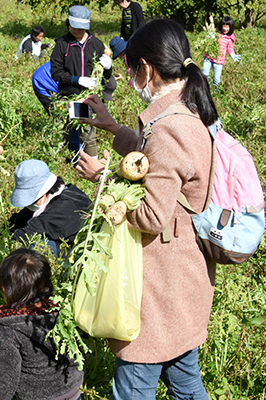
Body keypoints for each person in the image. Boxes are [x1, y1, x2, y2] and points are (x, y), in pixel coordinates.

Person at [75, 19, 217, 400]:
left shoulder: (170, 127)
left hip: (162, 289)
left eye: (130, 68)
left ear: (147, 69)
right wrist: (113, 128)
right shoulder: (186, 111)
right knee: (186, 384)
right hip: (184, 283)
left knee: (134, 387)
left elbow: (153, 215)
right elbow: (157, 164)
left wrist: (104, 180)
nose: (128, 75)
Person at [0, 248, 84, 400]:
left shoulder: (7, 331)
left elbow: (3, 383)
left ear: (6, 290)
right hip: (73, 390)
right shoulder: (60, 311)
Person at [50, 5, 113, 158]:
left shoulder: (96, 44)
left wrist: (108, 67)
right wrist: (77, 79)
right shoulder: (62, 44)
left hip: (86, 98)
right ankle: (54, 162)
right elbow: (56, 73)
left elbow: (104, 77)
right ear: (69, 23)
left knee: (88, 135)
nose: (77, 31)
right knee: (60, 133)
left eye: (81, 28)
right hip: (67, 96)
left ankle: (94, 169)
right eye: (74, 27)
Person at [8, 160, 89, 257]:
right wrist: (5, 229)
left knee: (35, 246)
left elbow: (27, 233)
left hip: (77, 250)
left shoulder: (64, 207)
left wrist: (5, 238)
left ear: (45, 191)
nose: (30, 204)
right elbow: (16, 222)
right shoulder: (48, 198)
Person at [202, 16, 241, 93]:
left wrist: (233, 55)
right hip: (209, 57)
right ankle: (204, 89)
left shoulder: (230, 38)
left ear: (231, 27)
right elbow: (207, 40)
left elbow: (230, 48)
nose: (225, 29)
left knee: (216, 79)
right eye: (224, 26)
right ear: (221, 26)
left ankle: (215, 92)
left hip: (219, 60)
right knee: (204, 74)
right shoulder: (215, 32)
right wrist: (209, 36)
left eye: (227, 27)